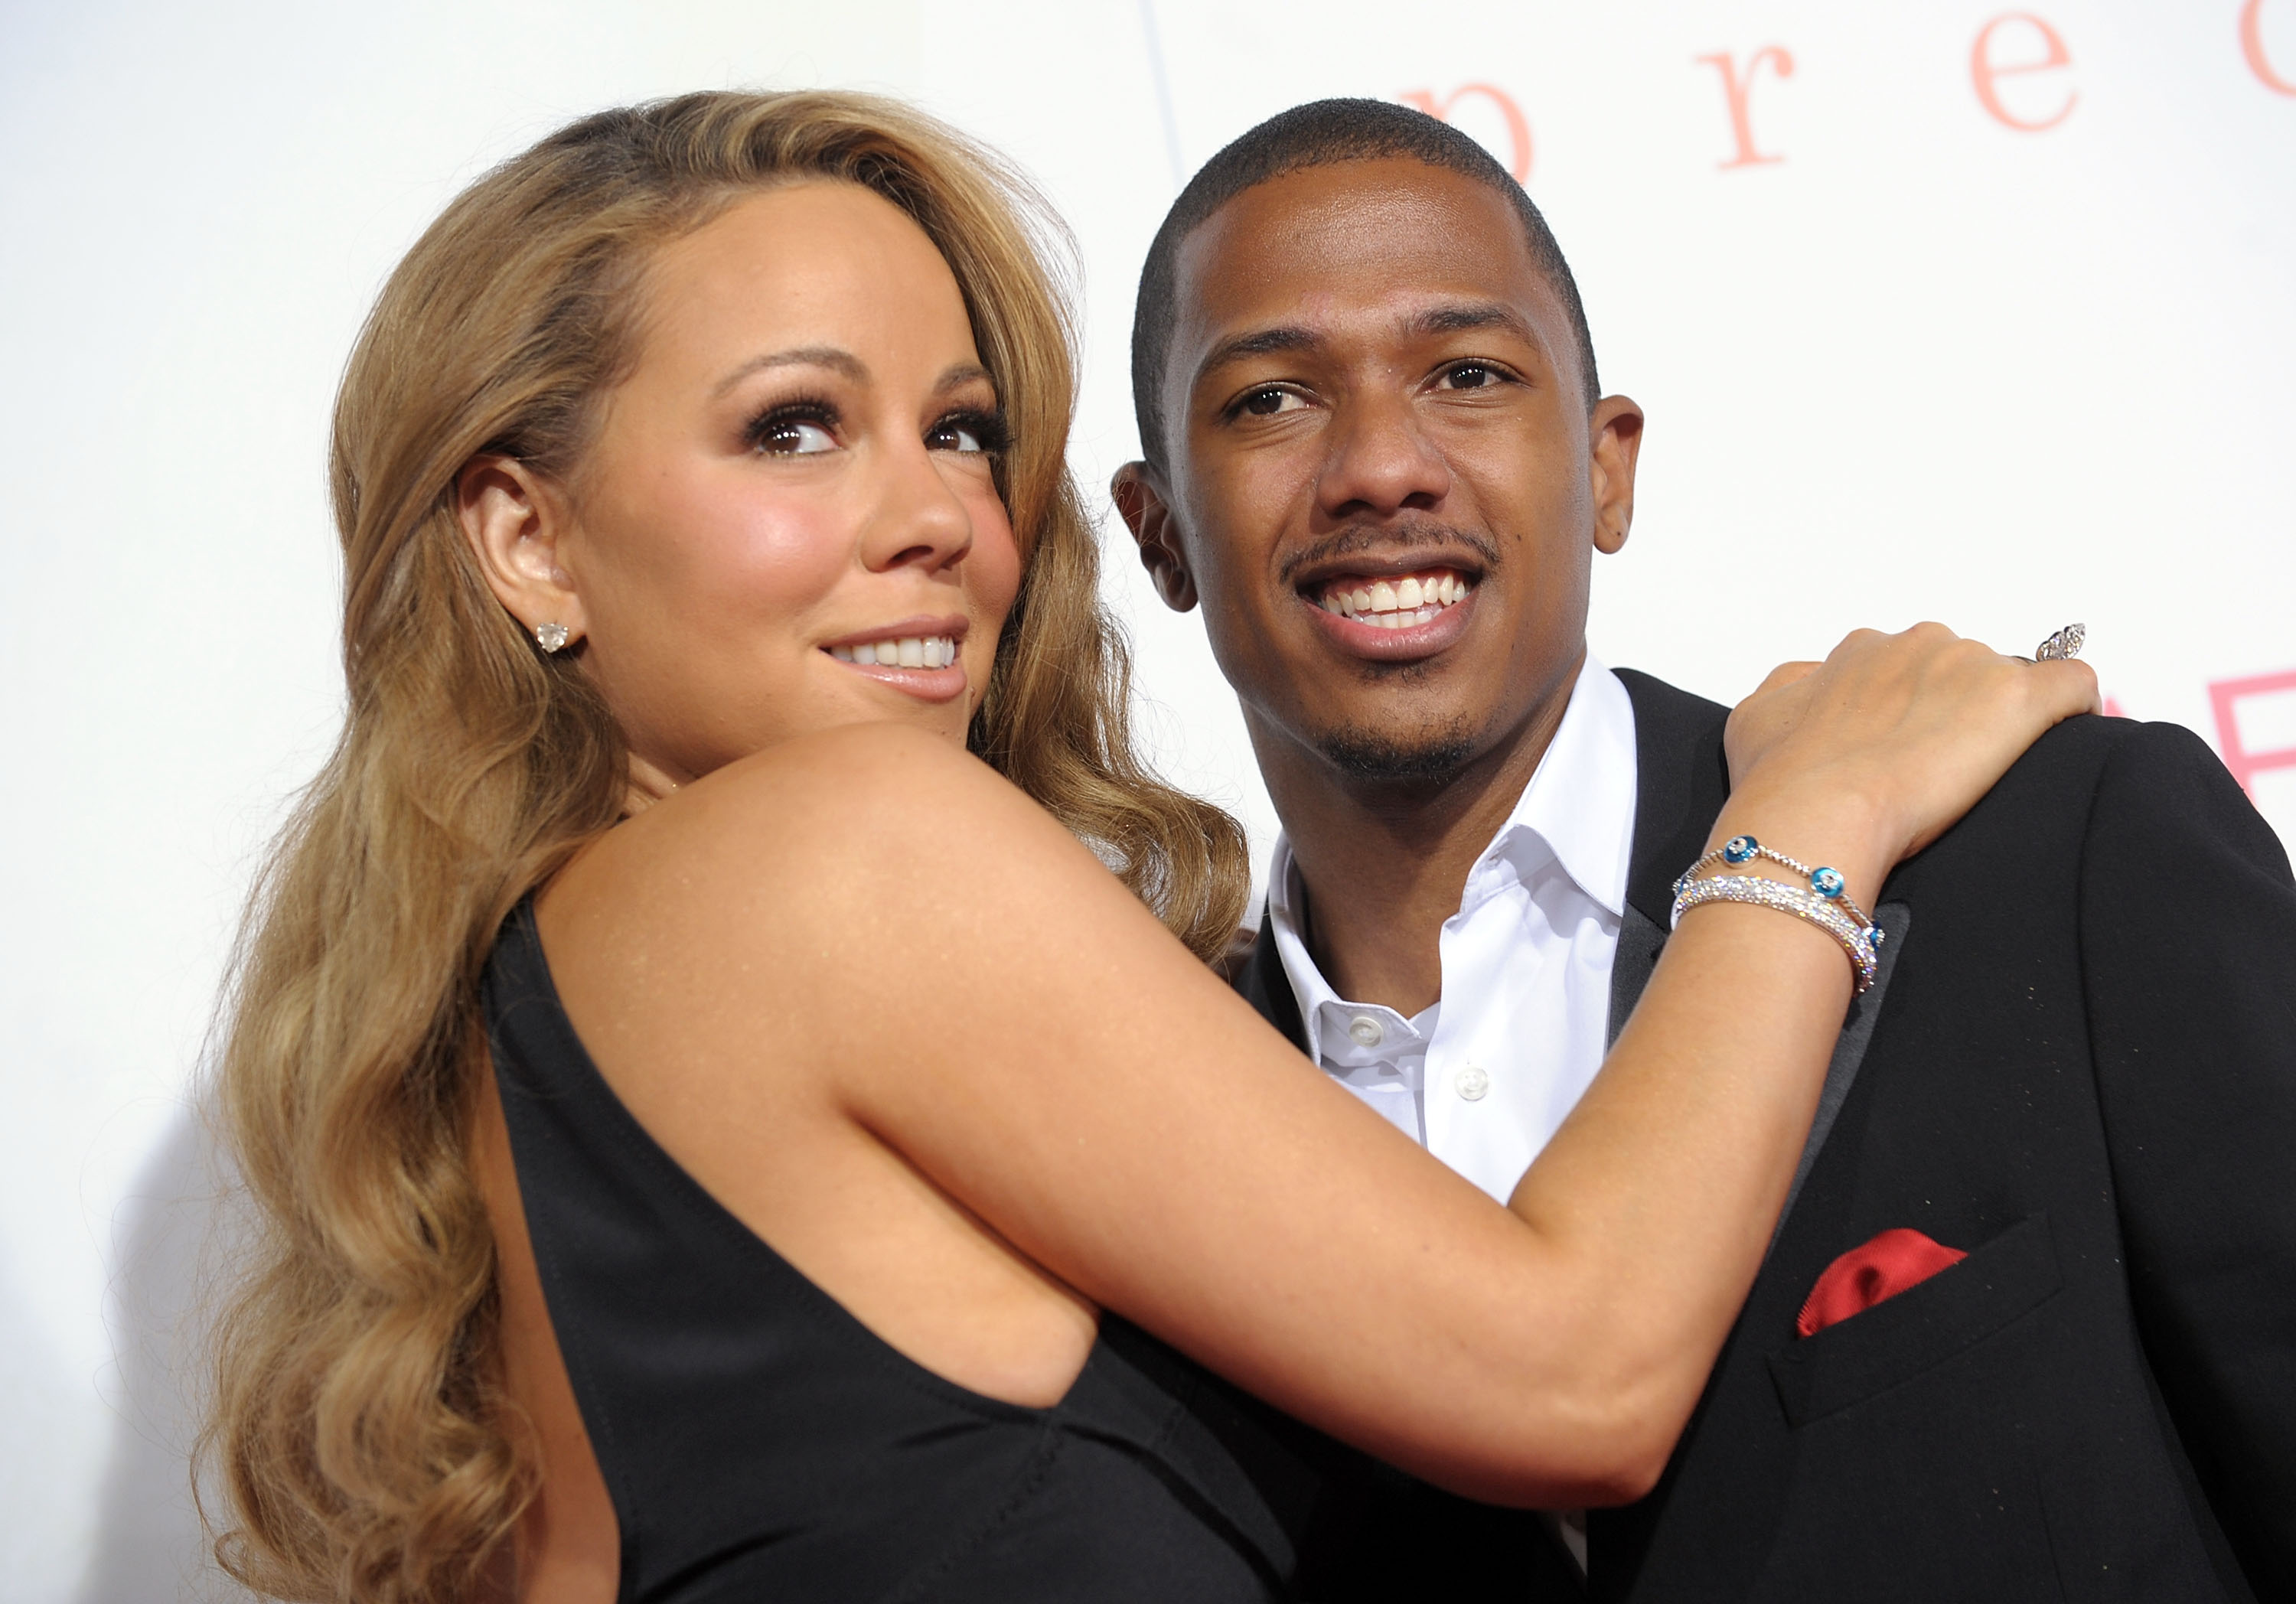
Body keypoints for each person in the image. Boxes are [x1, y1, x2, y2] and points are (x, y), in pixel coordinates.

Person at [202, 90, 2090, 1604]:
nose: (938, 516)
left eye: (958, 431)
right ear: (527, 537)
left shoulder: (524, 1045)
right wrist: (1806, 819)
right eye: (793, 429)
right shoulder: (841, 851)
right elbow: (1575, 1373)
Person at [1113, 97, 2296, 1603]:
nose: (1379, 467)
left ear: (1608, 469)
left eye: (1466, 374)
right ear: (1158, 534)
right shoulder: (1132, 1138)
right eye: (1272, 400)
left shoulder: (2048, 855)